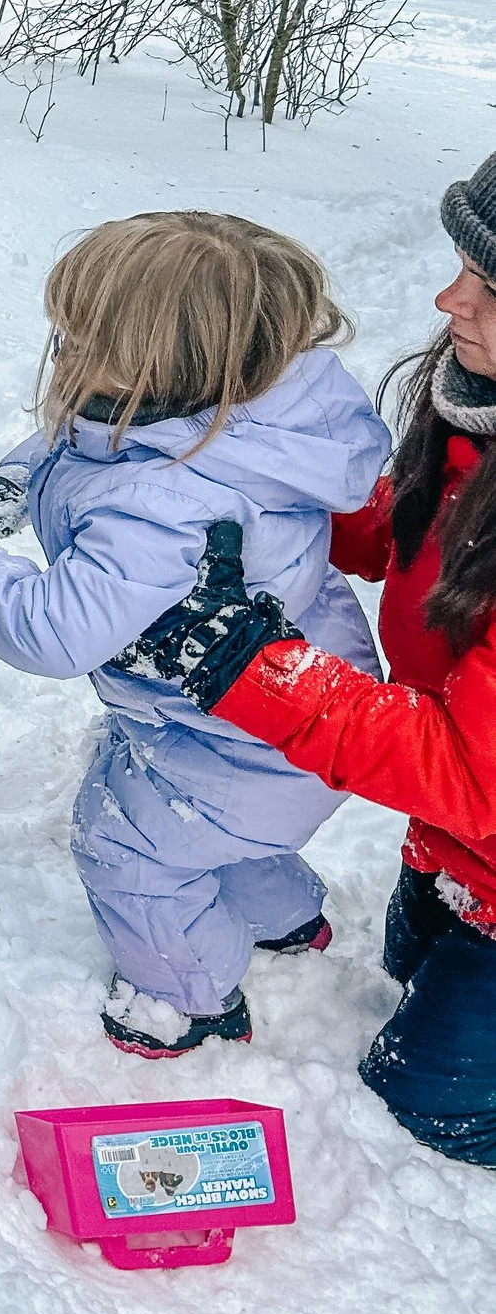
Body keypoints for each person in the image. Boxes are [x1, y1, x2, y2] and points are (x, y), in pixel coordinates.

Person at [0, 212, 391, 1057]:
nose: (59, 351)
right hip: (288, 719)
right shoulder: (236, 417)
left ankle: (185, 994)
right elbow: (76, 441)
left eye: (80, 339)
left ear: (154, 367)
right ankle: (280, 915)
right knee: (193, 817)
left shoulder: (162, 506)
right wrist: (11, 482)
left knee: (127, 838)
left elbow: (55, 629)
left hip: (245, 744)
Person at [128, 155, 496, 1160]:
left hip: (479, 814)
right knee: (409, 960)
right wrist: (254, 475)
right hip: (461, 847)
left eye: (489, 288)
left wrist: (255, 667)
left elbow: (471, 769)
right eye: (462, 263)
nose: (446, 298)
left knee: (427, 1111)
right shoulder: (477, 411)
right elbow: (394, 536)